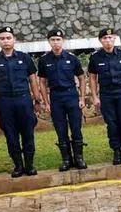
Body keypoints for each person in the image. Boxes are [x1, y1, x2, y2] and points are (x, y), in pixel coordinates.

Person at [0, 26, 39, 177]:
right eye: (2, 38)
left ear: (14, 39)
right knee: (10, 134)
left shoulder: (24, 58)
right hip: (5, 102)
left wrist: (37, 99)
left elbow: (33, 80)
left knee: (28, 133)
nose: (6, 41)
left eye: (8, 38)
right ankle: (18, 166)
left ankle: (29, 165)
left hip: (24, 100)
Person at [37, 28, 87, 172]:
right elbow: (42, 82)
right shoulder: (44, 60)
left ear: (62, 41)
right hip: (56, 97)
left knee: (76, 128)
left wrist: (82, 98)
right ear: (49, 42)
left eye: (58, 40)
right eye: (53, 40)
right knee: (60, 129)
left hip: (71, 95)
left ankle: (78, 158)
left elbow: (82, 78)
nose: (56, 42)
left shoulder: (72, 58)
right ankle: (66, 159)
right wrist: (46, 102)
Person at [88, 27, 121, 166]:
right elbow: (92, 78)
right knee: (111, 123)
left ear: (114, 39)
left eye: (110, 38)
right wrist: (95, 96)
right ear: (100, 41)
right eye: (105, 38)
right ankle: (116, 150)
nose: (108, 40)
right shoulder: (95, 57)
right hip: (106, 93)